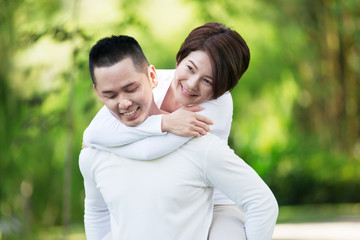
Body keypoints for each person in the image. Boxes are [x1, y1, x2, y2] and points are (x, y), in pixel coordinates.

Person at [79, 34, 278, 240]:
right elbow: (91, 135)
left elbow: (149, 152)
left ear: (221, 88)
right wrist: (164, 122)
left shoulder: (212, 116)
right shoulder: (142, 79)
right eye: (190, 68)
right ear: (179, 59)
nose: (192, 84)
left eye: (208, 80)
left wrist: (107, 145)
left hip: (219, 198)